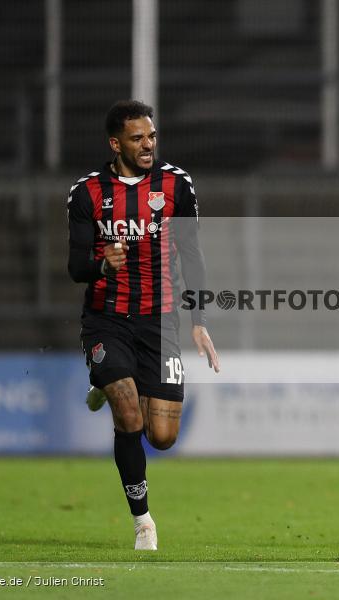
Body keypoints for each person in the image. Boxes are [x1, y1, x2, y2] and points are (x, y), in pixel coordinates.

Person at [67, 100, 220, 550]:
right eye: (137, 138)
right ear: (116, 143)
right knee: (128, 413)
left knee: (164, 437)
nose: (148, 144)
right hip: (106, 319)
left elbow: (192, 254)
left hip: (161, 319)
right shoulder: (86, 193)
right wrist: (101, 263)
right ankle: (143, 521)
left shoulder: (176, 184)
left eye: (151, 136)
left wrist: (199, 321)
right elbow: (76, 265)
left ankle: (109, 382)